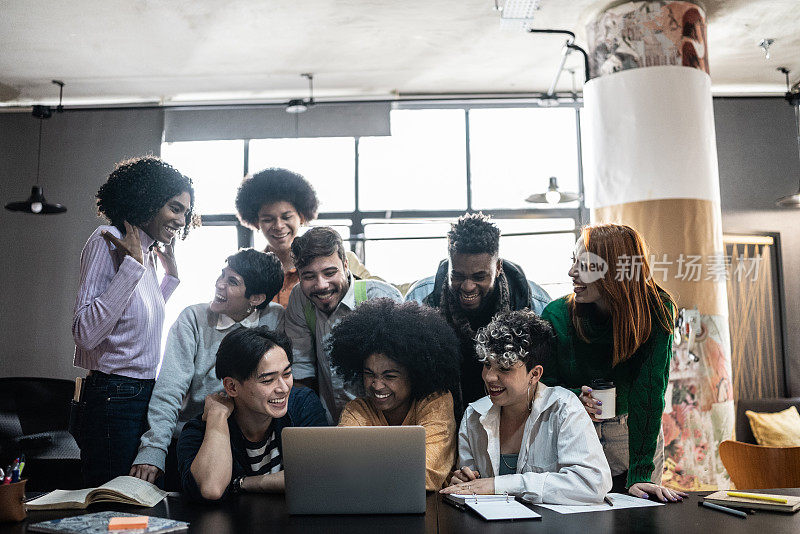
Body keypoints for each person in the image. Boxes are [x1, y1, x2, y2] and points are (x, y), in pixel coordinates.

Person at [541, 223, 688, 502]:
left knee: (640, 517)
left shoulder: (656, 309)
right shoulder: (557, 314)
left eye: (584, 264)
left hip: (632, 435)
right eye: (574, 262)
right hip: (576, 433)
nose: (572, 272)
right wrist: (574, 398)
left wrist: (641, 473)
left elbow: (649, 391)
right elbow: (542, 386)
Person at [72, 156, 195, 486]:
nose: (182, 219)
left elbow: (135, 322)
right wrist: (132, 268)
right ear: (148, 200)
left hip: (137, 393)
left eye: (186, 211)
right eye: (175, 208)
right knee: (113, 499)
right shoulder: (107, 240)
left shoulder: (144, 252)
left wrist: (171, 277)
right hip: (113, 395)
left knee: (133, 499)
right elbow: (85, 333)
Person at [130, 249, 285, 488]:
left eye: (232, 281)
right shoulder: (193, 318)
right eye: (222, 275)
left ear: (255, 298)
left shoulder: (275, 318)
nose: (219, 285)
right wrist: (153, 449)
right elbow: (170, 388)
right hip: (197, 434)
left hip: (252, 438)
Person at [441, 310, 612, 504]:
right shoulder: (473, 415)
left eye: (504, 368)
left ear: (535, 374)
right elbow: (473, 487)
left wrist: (499, 485)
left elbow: (592, 483)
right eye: (487, 364)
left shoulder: (564, 408)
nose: (489, 377)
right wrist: (463, 481)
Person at [405, 212, 551, 406]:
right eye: (457, 275)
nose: (468, 286)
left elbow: (546, 378)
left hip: (515, 418)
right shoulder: (419, 300)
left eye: (479, 277)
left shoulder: (536, 304)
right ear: (449, 265)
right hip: (445, 414)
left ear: (498, 267)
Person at [176, 326, 327, 501]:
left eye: (287, 374)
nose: (284, 388)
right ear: (232, 386)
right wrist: (218, 416)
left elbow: (318, 476)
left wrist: (242, 483)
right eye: (268, 380)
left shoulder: (302, 404)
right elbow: (212, 489)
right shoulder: (198, 432)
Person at [329, 298, 462, 491]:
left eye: (389, 376)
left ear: (414, 374)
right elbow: (340, 469)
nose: (377, 385)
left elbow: (424, 473)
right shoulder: (357, 410)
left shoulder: (436, 402)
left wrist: (363, 466)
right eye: (369, 374)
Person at [284, 226, 403, 422]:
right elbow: (301, 373)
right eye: (309, 276)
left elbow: (399, 379)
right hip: (329, 423)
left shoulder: (381, 297)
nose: (321, 285)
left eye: (329, 272)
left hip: (383, 424)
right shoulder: (300, 297)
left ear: (346, 265)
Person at [235, 168, 375, 307]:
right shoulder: (247, 270)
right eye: (267, 219)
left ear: (301, 217)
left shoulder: (340, 260)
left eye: (287, 217)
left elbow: (379, 291)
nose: (278, 226)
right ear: (256, 222)